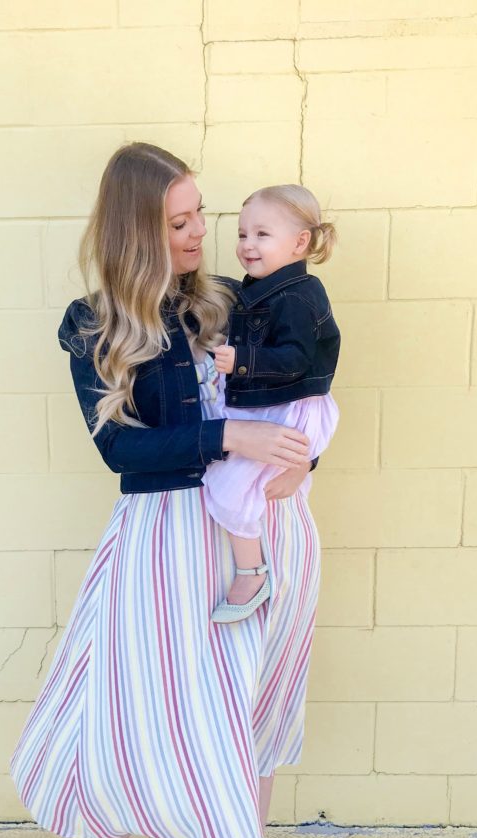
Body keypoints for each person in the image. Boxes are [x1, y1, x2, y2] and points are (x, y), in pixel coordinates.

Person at [9, 143, 322, 838]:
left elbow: (298, 389)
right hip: (159, 547)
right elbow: (121, 452)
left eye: (200, 215)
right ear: (137, 231)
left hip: (257, 536)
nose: (201, 233)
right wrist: (229, 435)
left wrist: (301, 458)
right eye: (179, 222)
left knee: (247, 721)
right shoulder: (92, 323)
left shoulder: (232, 301)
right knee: (127, 716)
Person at [205, 185, 340, 623]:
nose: (247, 245)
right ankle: (257, 564)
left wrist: (242, 360)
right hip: (272, 404)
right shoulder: (262, 291)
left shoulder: (298, 296)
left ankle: (252, 571)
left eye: (262, 234)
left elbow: (296, 359)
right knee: (239, 481)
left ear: (300, 242)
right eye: (243, 234)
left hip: (288, 406)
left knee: (229, 488)